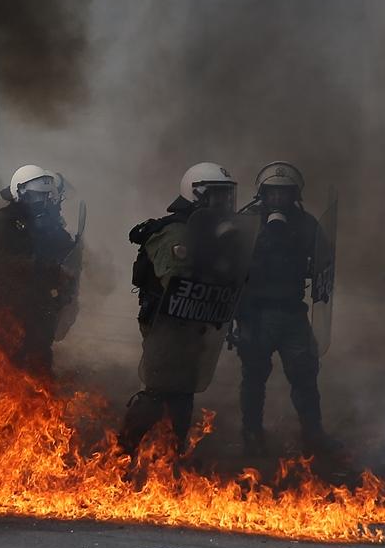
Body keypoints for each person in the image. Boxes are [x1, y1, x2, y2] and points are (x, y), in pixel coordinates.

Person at [119, 163, 242, 457]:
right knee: (159, 389)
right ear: (196, 194)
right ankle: (122, 453)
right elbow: (175, 278)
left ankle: (172, 456)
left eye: (227, 195)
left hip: (194, 324)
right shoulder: (173, 232)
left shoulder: (211, 232)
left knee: (183, 392)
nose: (223, 203)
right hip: (167, 324)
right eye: (217, 195)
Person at [235, 162, 341, 457]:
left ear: (294, 195)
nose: (278, 199)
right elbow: (229, 262)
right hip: (254, 313)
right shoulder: (247, 222)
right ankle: (252, 433)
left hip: (292, 312)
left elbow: (324, 261)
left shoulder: (307, 225)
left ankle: (313, 433)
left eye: (284, 194)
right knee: (254, 376)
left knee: (305, 373)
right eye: (272, 193)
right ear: (262, 194)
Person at [0, 165, 76, 376]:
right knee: (9, 361)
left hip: (40, 304)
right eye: (35, 196)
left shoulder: (44, 224)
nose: (40, 202)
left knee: (40, 359)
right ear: (19, 191)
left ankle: (38, 401)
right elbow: (1, 260)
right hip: (10, 306)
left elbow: (64, 249)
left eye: (44, 196)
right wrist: (44, 267)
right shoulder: (1, 222)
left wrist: (56, 224)